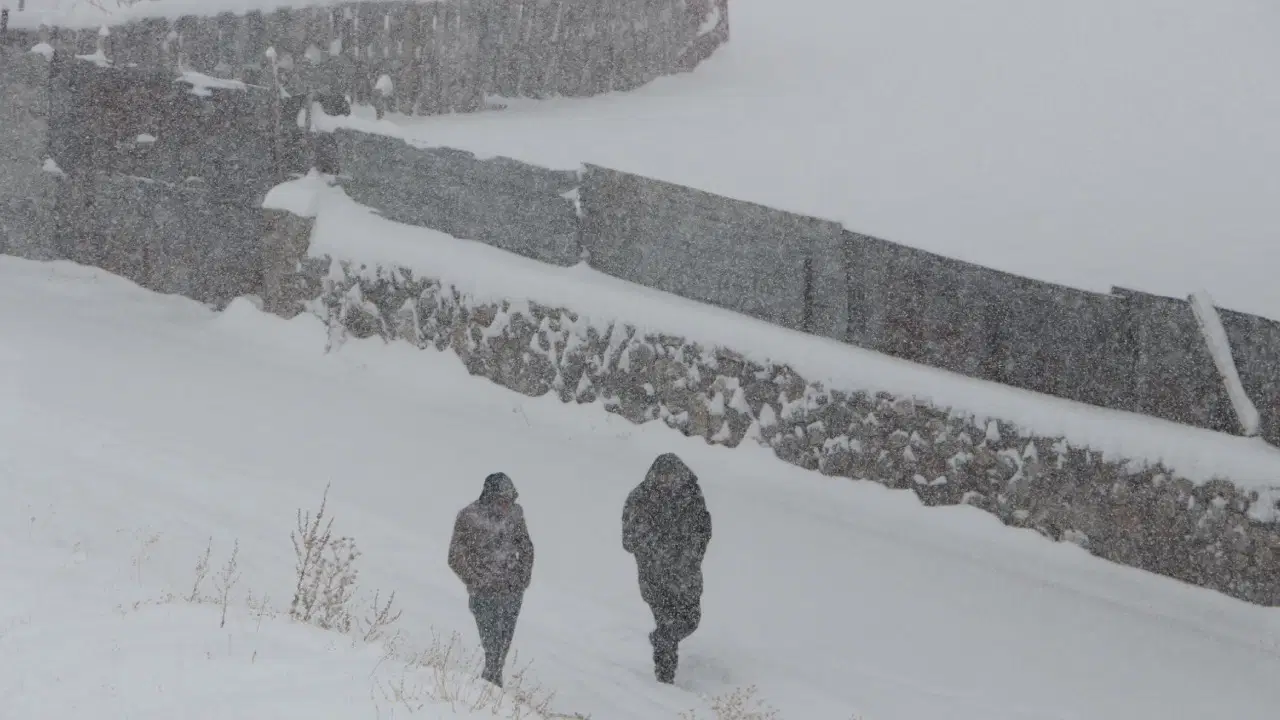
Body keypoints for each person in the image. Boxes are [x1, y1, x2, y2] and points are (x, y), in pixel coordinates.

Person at [621, 453, 713, 684]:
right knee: (667, 622)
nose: (666, 481)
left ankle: (663, 641)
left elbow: (703, 528)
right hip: (655, 577)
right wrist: (660, 554)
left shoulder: (691, 495)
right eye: (662, 476)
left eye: (671, 476)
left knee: (691, 620)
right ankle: (665, 678)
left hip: (686, 575)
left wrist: (690, 555)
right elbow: (630, 539)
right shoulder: (640, 498)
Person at [448, 472, 535, 688]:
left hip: (511, 591)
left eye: (509, 500)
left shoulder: (515, 515)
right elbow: (455, 557)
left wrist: (521, 579)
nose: (506, 505)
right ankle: (491, 688)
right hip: (484, 594)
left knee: (503, 644)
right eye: (501, 500)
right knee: (492, 644)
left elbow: (526, 547)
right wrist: (477, 581)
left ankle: (492, 686)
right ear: (489, 497)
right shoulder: (469, 517)